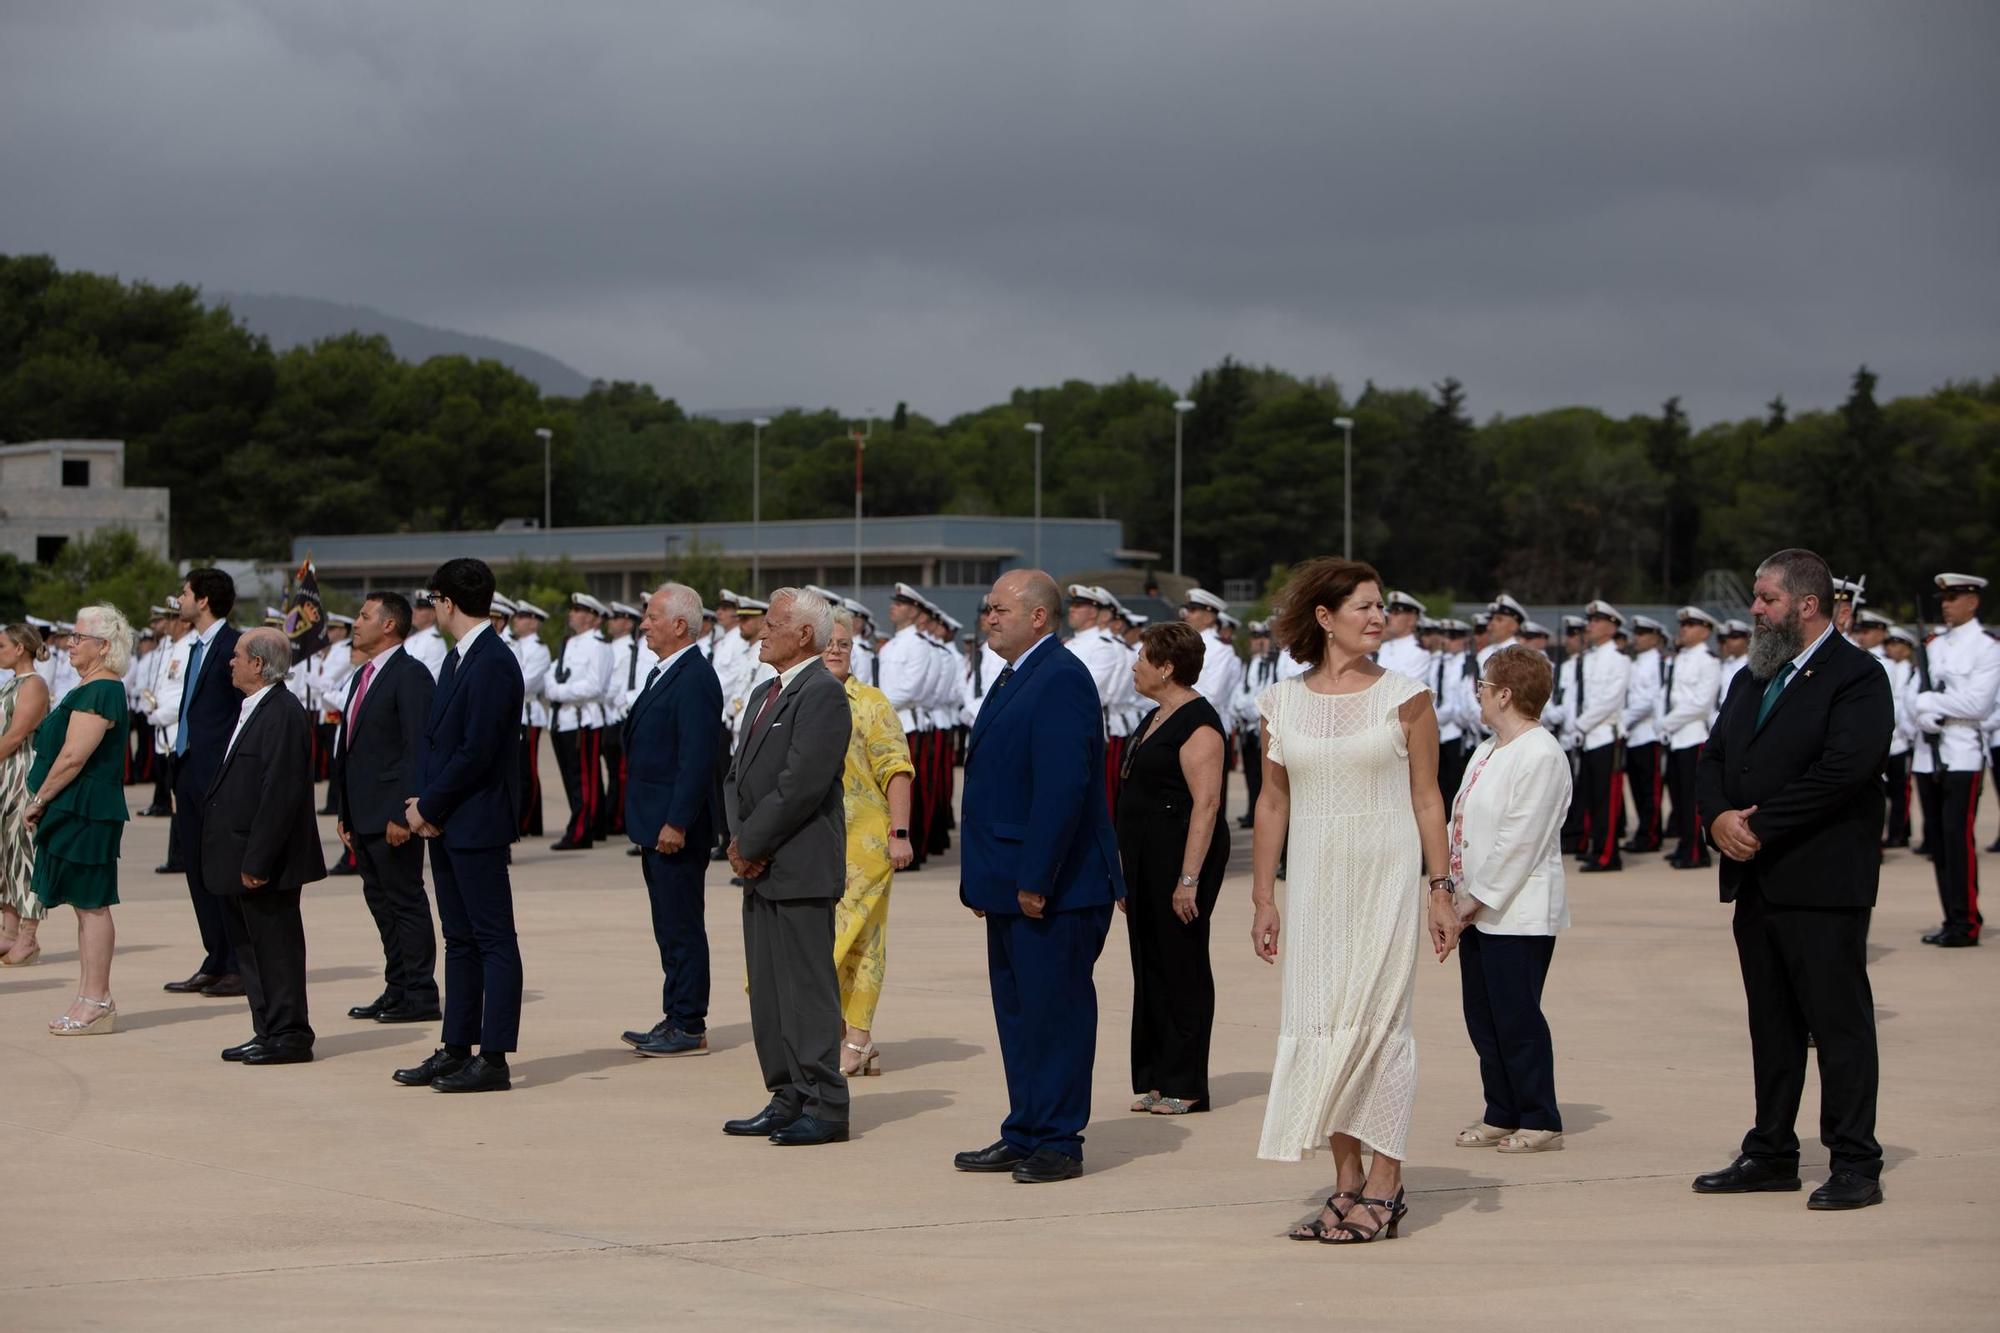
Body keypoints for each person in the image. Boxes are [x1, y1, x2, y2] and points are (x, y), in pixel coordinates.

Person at [1249, 558, 1451, 1245]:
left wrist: (1440, 888)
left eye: (1381, 605)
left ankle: (1386, 1182)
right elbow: (1273, 801)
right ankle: (1345, 1178)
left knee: (1380, 1024)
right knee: (1321, 1021)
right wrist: (1261, 897)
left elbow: (1428, 797)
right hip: (1313, 882)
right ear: (1324, 618)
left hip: (1384, 877)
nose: (1377, 616)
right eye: (1363, 606)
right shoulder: (1279, 702)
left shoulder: (1408, 695)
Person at [1695, 548, 1892, 1210]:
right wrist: (1718, 815)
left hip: (1822, 881)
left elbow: (1845, 769)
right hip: (1758, 881)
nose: (1754, 608)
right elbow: (1715, 755)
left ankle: (1855, 1160)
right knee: (1771, 1024)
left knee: (1838, 1025)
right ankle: (1772, 1150)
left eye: (1766, 598)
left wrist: (1759, 823)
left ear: (1807, 605)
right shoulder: (1753, 676)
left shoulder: (1857, 676)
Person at [955, 570, 1124, 1184]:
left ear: (1038, 617)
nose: (988, 617)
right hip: (1009, 879)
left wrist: (1035, 878)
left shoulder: (1060, 678)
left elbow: (1063, 788)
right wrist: (986, 879)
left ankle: (1058, 1139)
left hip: (1053, 886)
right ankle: (1026, 1126)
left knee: (1056, 1014)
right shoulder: (1016, 674)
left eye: (1000, 609)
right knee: (1019, 1014)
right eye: (987, 608)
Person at [721, 588, 852, 1146]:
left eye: (772, 623)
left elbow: (801, 785)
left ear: (804, 635)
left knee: (807, 991)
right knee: (771, 992)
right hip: (759, 864)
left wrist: (751, 842)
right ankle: (787, 1094)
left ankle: (825, 1104)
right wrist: (737, 840)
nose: (760, 631)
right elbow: (737, 775)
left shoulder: (822, 694)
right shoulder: (763, 694)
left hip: (797, 864)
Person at [393, 559, 526, 1094]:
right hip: (447, 819)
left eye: (434, 600)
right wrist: (423, 801)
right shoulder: (458, 659)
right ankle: (456, 1046)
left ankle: (492, 1056)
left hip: (475, 820)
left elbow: (477, 751)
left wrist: (430, 805)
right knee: (460, 939)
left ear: (447, 602)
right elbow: (437, 740)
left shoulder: (493, 660)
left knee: (493, 939)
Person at [1440, 646, 1572, 1155]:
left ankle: (1540, 1116)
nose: (1478, 694)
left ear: (1505, 694)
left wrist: (1471, 902)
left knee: (1517, 1015)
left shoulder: (1541, 753)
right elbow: (1464, 823)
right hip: (1475, 907)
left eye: (1484, 686)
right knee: (1484, 1015)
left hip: (1515, 911)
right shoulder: (1490, 747)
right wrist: (1451, 890)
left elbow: (1520, 840)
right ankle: (1502, 1109)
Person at [200, 629, 327, 1064]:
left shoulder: (282, 712)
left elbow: (281, 791)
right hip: (240, 853)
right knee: (252, 951)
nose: (229, 662)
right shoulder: (254, 708)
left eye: (236, 656)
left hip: (266, 860)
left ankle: (290, 1034)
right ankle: (267, 1028)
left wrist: (258, 858)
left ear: (258, 663)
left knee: (277, 950)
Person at [1118, 620, 1227, 1116]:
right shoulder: (1156, 716)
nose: (1135, 665)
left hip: (1182, 860)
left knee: (1181, 963)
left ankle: (1187, 1084)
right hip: (1146, 858)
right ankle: (1157, 1077)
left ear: (1167, 667)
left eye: (1143, 658)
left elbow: (1206, 806)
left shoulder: (1199, 723)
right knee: (1150, 963)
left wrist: (1189, 881)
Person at [619, 583, 723, 1059]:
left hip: (673, 829)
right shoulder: (667, 672)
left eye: (653, 616)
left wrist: (678, 821)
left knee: (681, 925)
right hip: (653, 821)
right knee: (668, 923)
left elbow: (698, 759)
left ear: (679, 625)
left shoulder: (695, 677)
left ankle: (688, 1022)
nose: (644, 623)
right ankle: (675, 1013)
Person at [331, 592, 440, 1026]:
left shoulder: (410, 675)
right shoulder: (363, 675)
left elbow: (418, 748)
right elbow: (353, 748)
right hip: (363, 812)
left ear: (389, 624)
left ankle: (420, 992)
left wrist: (404, 813)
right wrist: (345, 811)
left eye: (364, 615)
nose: (356, 622)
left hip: (392, 815)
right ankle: (397, 987)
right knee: (381, 902)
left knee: (404, 900)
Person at [24, 605, 134, 1035]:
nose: (69, 644)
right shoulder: (89, 686)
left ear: (103, 646)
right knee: (83, 906)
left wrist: (41, 797)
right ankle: (89, 995)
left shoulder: (102, 690)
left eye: (77, 637)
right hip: (76, 806)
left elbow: (74, 755)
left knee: (91, 904)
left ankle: (97, 998)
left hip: (86, 807)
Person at [820, 609, 915, 1077]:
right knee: (825, 943)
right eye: (828, 642)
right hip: (816, 843)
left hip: (866, 845)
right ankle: (843, 1034)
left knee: (858, 944)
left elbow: (897, 768)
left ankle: (857, 1040)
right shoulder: (799, 698)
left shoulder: (871, 702)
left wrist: (900, 834)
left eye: (844, 643)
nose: (836, 650)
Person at [1907, 573, 1999, 946]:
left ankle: (1966, 921)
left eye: (1953, 597)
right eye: (1943, 598)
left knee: (1957, 840)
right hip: (1929, 755)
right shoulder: (1934, 645)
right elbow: (1915, 694)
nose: (1945, 604)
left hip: (1961, 753)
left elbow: (1977, 704)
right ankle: (1950, 917)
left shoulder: (1987, 648)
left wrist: (1932, 705)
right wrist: (1924, 711)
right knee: (1940, 845)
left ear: (1973, 602)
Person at [167, 568, 245, 997]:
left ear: (203, 600)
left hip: (218, 774)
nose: (178, 598)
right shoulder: (193, 646)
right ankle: (214, 956)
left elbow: (242, 713)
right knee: (196, 869)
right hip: (188, 769)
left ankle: (237, 961)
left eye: (184, 592)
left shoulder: (234, 645)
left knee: (222, 869)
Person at [0, 624, 52, 966]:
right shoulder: (12, 683)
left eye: (3, 644)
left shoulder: (34, 684)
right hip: (5, 772)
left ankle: (29, 937)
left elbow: (17, 733)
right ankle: (8, 930)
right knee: (6, 851)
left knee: (25, 851)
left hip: (22, 773)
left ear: (21, 648)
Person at [546, 593, 613, 851]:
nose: (571, 613)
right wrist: (555, 688)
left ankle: (581, 830)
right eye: (572, 609)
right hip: (564, 720)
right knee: (571, 778)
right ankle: (581, 824)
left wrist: (560, 692)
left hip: (583, 719)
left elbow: (595, 686)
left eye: (578, 609)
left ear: (591, 616)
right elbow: (551, 675)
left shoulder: (598, 646)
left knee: (584, 779)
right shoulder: (569, 643)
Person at [1659, 607, 1723, 869]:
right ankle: (1684, 845)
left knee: (1692, 799)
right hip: (1675, 737)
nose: (1684, 628)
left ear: (1705, 630)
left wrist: (1667, 722)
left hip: (1692, 735)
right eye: (1683, 624)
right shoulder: (1679, 658)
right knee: (1678, 797)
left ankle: (1697, 851)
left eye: (1691, 624)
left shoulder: (1708, 660)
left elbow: (1700, 704)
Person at [1571, 601, 1632, 873]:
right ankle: (1596, 848)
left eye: (1596, 621)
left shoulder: (1619, 660)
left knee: (1607, 799)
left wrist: (1581, 725)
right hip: (1587, 737)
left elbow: (1609, 700)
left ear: (1611, 626)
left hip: (1606, 735)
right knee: (1591, 797)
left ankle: (1609, 854)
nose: (1590, 626)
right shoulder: (1589, 658)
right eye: (1590, 621)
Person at [1621, 615, 1668, 854]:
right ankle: (1643, 831)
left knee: (1650, 790)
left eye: (1641, 634)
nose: (1636, 638)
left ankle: (1650, 835)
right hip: (1633, 735)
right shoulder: (1636, 662)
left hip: (1648, 733)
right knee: (1638, 789)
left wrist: (1625, 718)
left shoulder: (1657, 662)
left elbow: (1651, 700)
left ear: (1654, 637)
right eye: (1635, 633)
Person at [508, 600, 552, 837]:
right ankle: (524, 819)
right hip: (518, 713)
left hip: (530, 712)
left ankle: (529, 821)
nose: (517, 620)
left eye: (523, 616)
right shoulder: (514, 644)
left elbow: (525, 682)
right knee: (518, 770)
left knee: (528, 771)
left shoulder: (540, 649)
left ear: (534, 621)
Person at [403, 590, 449, 680]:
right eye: (415, 608)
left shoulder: (435, 641)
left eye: (420, 609)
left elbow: (430, 679)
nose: (414, 612)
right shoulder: (410, 639)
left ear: (433, 614)